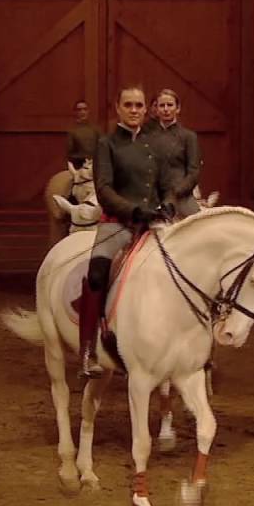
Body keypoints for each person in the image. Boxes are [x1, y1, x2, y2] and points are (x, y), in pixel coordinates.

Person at [77, 86, 173, 380]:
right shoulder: (107, 144)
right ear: (118, 108)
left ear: (147, 110)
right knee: (96, 275)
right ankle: (88, 351)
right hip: (116, 223)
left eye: (139, 105)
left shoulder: (155, 144)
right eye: (128, 105)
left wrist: (167, 204)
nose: (134, 110)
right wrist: (133, 211)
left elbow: (167, 183)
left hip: (153, 223)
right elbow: (104, 189)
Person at [148, 88, 202, 219]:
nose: (166, 109)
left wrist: (176, 193)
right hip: (153, 197)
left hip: (181, 196)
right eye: (162, 105)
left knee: (197, 226)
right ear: (156, 109)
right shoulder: (147, 137)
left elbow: (193, 172)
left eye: (170, 105)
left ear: (177, 108)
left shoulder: (188, 137)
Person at [65, 100, 104, 170]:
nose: (82, 112)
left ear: (88, 111)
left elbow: (103, 148)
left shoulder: (96, 129)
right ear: (75, 112)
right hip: (79, 167)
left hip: (96, 166)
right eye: (79, 110)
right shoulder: (72, 131)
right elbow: (70, 154)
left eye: (85, 109)